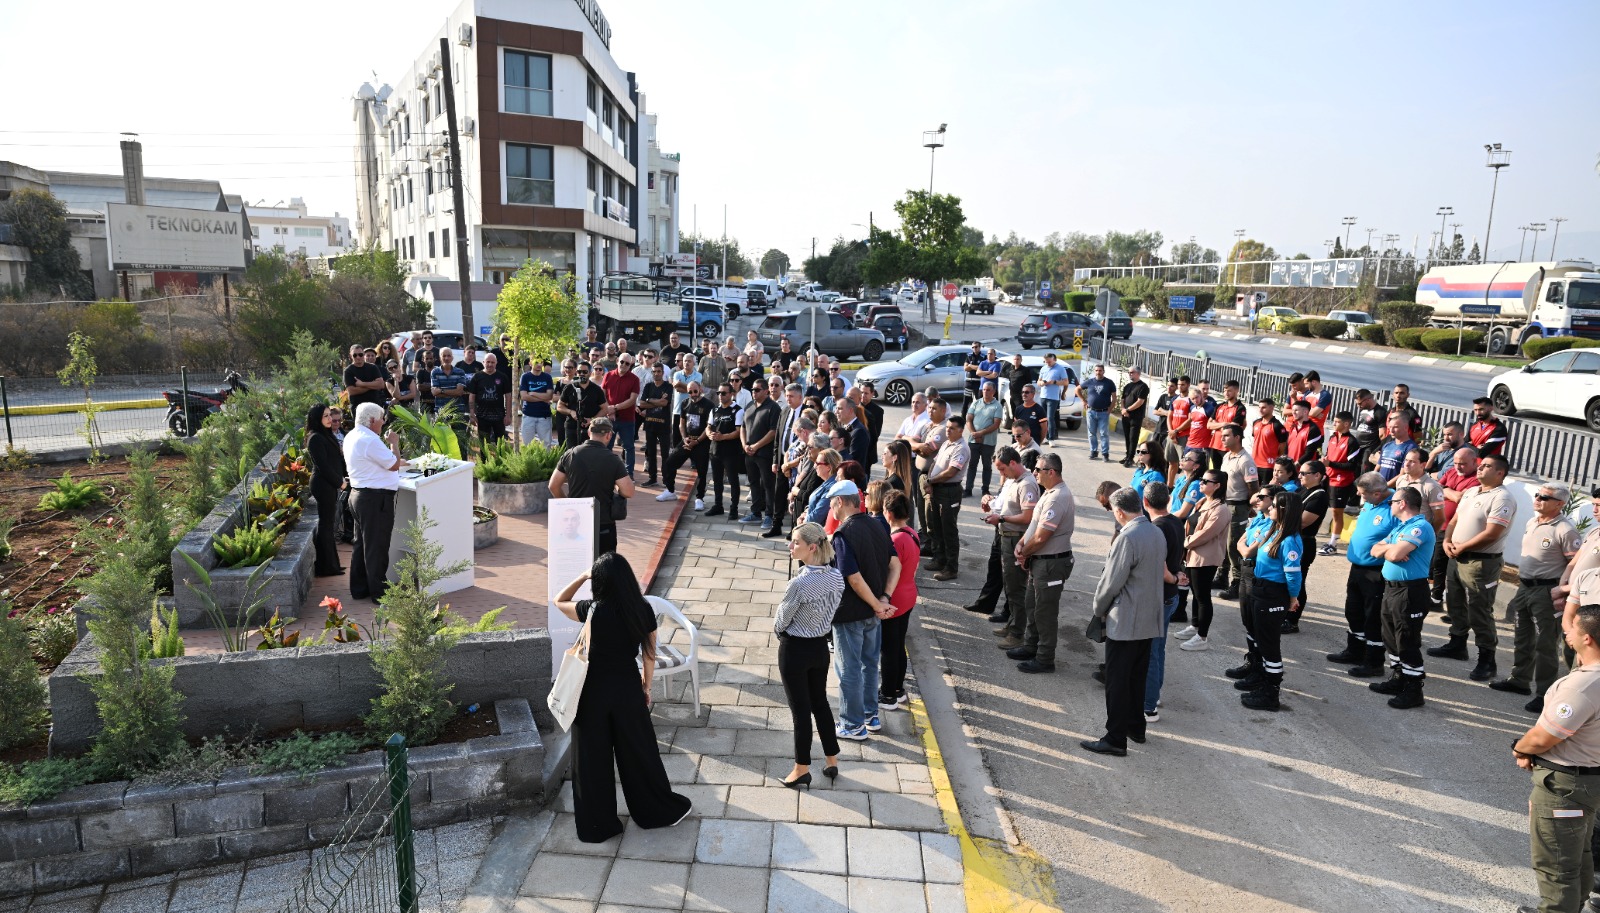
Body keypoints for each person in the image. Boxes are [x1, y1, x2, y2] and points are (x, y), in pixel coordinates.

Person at [552, 555, 692, 841]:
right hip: (627, 687)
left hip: (591, 692)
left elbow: (558, 601)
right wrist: (646, 687)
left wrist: (581, 577)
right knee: (639, 752)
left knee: (591, 758)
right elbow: (649, 654)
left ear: (599, 581)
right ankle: (655, 810)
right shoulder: (641, 608)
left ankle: (597, 825)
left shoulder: (591, 610)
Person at [1512, 603, 1600, 913]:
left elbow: (1544, 737)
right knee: (1579, 855)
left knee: (1556, 864)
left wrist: (1522, 748)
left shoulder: (1583, 685)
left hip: (1566, 786)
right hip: (1590, 781)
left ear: (1587, 638)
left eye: (1573, 627)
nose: (1568, 631)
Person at [1081, 487, 1166, 756]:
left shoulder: (1127, 537)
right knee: (1136, 677)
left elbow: (1111, 583)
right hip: (1149, 619)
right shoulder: (1156, 531)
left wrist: (1098, 609)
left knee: (1117, 681)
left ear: (1119, 512)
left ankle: (1115, 738)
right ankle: (1135, 727)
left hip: (1126, 619)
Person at [1429, 453, 1517, 682]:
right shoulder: (1471, 491)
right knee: (1455, 602)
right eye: (1480, 465)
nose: (1480, 469)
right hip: (1457, 556)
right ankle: (1457, 644)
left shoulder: (1502, 498)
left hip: (1481, 562)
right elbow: (1455, 520)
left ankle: (1487, 659)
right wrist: (1448, 541)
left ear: (1500, 473)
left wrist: (1463, 546)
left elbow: (1492, 533)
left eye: (1486, 466)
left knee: (1479, 610)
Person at [1490, 484, 1579, 704]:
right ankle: (1519, 680)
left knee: (1545, 643)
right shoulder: (1533, 521)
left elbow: (1575, 565)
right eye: (1537, 495)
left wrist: (1564, 594)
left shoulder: (1565, 530)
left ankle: (1545, 693)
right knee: (1522, 636)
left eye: (1545, 497)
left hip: (1546, 592)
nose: (1538, 498)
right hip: (1525, 587)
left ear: (1560, 503)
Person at [773, 522, 845, 789]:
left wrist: (781, 630)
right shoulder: (836, 577)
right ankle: (831, 760)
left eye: (795, 543)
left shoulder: (799, 583)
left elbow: (781, 620)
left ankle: (801, 768)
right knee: (820, 703)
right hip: (819, 648)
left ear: (812, 547)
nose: (791, 546)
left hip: (795, 649)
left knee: (800, 711)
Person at [829, 481, 897, 740]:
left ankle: (852, 724)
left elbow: (853, 578)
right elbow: (896, 565)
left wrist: (876, 602)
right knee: (870, 665)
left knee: (849, 670)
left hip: (851, 615)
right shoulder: (878, 525)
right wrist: (883, 598)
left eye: (832, 503)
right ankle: (871, 715)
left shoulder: (843, 534)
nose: (831, 508)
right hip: (873, 616)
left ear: (840, 502)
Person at [1004, 452, 1075, 673]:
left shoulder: (1057, 497)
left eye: (1038, 470)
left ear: (1051, 472)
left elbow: (1042, 536)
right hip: (1040, 561)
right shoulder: (1048, 493)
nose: (1034, 472)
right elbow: (1034, 526)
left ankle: (1045, 659)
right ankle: (1030, 646)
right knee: (1032, 606)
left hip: (1051, 564)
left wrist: (1023, 552)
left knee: (1045, 613)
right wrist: (1022, 544)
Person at [1366, 486, 1436, 710]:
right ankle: (1399, 679)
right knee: (1390, 637)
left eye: (1393, 501)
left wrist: (1391, 550)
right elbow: (1374, 550)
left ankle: (1414, 689)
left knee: (1406, 639)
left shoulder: (1420, 527)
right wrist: (1391, 548)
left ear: (1403, 503)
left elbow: (1393, 554)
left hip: (1410, 591)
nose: (1390, 505)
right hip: (1392, 588)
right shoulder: (1401, 527)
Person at [1236, 489, 1304, 711]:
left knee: (1270, 645)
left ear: (1284, 510)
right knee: (1261, 640)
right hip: (1260, 589)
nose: (1270, 508)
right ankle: (1263, 682)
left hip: (1274, 593)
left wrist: (1293, 598)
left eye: (1274, 505)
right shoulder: (1275, 531)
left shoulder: (1291, 540)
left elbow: (1293, 574)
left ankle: (1271, 694)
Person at [1328, 473, 1398, 677]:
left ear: (1377, 493)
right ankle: (1355, 651)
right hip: (1358, 567)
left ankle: (1374, 661)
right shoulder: (1371, 502)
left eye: (1364, 495)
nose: (1362, 499)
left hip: (1376, 571)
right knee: (1354, 611)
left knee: (1372, 618)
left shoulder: (1394, 507)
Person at [342, 402, 407, 601]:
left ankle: (360, 588)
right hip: (374, 499)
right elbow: (394, 464)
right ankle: (380, 593)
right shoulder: (370, 439)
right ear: (371, 420)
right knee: (377, 546)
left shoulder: (353, 435)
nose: (384, 422)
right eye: (382, 419)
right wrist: (394, 443)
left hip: (359, 495)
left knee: (362, 545)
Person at [966, 446, 1038, 624]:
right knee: (1002, 575)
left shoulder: (1027, 483)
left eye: (1002, 469)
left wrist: (1001, 518)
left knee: (1015, 585)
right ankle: (1007, 619)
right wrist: (990, 503)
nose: (1000, 473)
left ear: (1013, 463)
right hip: (1004, 532)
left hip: (1015, 537)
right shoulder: (1012, 479)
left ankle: (1015, 626)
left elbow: (1028, 516)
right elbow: (1005, 503)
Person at [549, 417, 633, 556]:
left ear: (589, 433)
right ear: (609, 435)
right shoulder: (613, 459)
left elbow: (553, 486)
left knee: (577, 566)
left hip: (578, 524)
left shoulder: (570, 454)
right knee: (605, 568)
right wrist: (616, 486)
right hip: (603, 523)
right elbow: (629, 492)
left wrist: (568, 505)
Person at [1143, 481, 1185, 724]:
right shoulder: (1175, 522)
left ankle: (1149, 706)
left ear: (1145, 502)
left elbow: (1160, 568)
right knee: (1157, 648)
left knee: (1151, 652)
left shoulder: (1156, 527)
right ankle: (1153, 696)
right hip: (1169, 597)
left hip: (1160, 595)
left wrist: (1172, 577)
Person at [1175, 470, 1230, 651]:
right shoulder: (1202, 502)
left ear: (1217, 486)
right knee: (1195, 593)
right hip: (1192, 554)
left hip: (1205, 557)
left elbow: (1206, 533)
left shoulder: (1221, 509)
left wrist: (1184, 543)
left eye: (1206, 481)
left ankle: (1202, 637)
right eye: (1201, 479)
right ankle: (1195, 625)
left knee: (1203, 596)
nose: (1201, 483)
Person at [878, 491, 921, 712]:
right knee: (898, 646)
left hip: (894, 599)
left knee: (889, 649)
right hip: (908, 595)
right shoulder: (911, 533)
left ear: (888, 513)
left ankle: (887, 695)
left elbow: (887, 571)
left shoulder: (895, 540)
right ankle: (897, 689)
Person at [923, 413, 970, 582]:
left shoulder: (961, 448)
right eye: (947, 427)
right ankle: (939, 559)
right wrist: (930, 481)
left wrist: (931, 480)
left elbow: (951, 472)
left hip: (950, 492)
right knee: (936, 527)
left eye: (952, 428)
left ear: (961, 430)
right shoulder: (947, 444)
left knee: (948, 530)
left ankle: (951, 568)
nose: (948, 431)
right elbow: (935, 464)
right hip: (937, 489)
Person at [1217, 425, 1259, 600]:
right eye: (1222, 435)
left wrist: (1248, 508)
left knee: (1234, 546)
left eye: (1226, 435)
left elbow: (1253, 488)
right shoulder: (1227, 456)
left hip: (1238, 506)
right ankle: (1222, 576)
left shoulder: (1245, 461)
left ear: (1237, 437)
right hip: (1226, 504)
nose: (1222, 438)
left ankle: (1237, 583)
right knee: (1223, 543)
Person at [304, 404, 346, 579]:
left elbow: (335, 461)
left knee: (328, 525)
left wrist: (344, 477)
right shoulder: (315, 438)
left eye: (330, 415)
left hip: (329, 483)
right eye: (325, 416)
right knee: (326, 525)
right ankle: (326, 566)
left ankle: (332, 565)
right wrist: (340, 483)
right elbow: (323, 466)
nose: (330, 419)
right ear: (317, 419)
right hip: (323, 485)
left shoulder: (325, 435)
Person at [658, 382, 714, 510]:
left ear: (700, 389)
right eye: (690, 392)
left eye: (695, 391)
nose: (693, 394)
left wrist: (698, 441)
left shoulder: (709, 405)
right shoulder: (685, 403)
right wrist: (684, 438)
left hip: (701, 442)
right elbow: (681, 424)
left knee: (702, 471)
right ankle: (670, 490)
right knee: (669, 463)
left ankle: (699, 498)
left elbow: (708, 427)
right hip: (687, 440)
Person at [739, 379, 780, 529]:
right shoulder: (749, 405)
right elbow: (743, 427)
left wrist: (756, 446)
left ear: (765, 391)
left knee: (768, 485)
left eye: (757, 390)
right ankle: (755, 513)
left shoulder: (773, 408)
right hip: (749, 453)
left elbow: (773, 431)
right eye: (752, 390)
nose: (753, 392)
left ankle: (769, 515)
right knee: (753, 483)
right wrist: (744, 445)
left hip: (764, 454)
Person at [1321, 411, 1362, 556]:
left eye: (1337, 422)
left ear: (1346, 424)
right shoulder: (1333, 437)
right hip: (1328, 478)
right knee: (1327, 509)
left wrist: (1330, 463)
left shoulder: (1352, 442)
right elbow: (1328, 457)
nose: (1334, 424)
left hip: (1341, 482)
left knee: (1337, 512)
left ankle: (1333, 544)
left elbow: (1352, 466)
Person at [704, 384, 745, 520]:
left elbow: (739, 432)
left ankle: (734, 508)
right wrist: (710, 434)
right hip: (715, 450)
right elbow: (708, 427)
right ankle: (718, 505)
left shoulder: (738, 411)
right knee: (716, 480)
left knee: (733, 480)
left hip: (731, 451)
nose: (720, 396)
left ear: (731, 394)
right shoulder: (715, 409)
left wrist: (723, 437)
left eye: (724, 393)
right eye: (719, 393)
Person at [602, 354, 640, 479]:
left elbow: (632, 400)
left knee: (629, 447)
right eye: (622, 362)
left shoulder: (634, 379)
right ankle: (607, 471)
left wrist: (615, 408)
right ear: (617, 361)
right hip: (609, 419)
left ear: (630, 365)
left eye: (627, 364)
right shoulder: (608, 375)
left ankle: (629, 474)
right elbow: (603, 395)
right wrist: (609, 410)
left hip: (627, 419)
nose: (623, 365)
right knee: (607, 446)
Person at [466, 351, 513, 451]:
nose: (490, 364)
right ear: (483, 362)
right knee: (483, 445)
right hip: (482, 416)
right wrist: (472, 414)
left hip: (499, 416)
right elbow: (472, 396)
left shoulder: (502, 377)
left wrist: (508, 415)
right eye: (488, 362)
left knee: (500, 444)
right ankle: (484, 465)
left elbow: (508, 396)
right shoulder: (477, 377)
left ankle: (500, 463)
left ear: (496, 363)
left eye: (492, 362)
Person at [966, 382, 1004, 497]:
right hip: (973, 441)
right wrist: (974, 434)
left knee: (987, 466)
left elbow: (996, 424)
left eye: (988, 390)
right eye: (984, 390)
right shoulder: (976, 403)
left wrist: (980, 433)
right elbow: (969, 419)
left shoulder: (997, 406)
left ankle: (985, 489)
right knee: (972, 465)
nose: (985, 392)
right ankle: (968, 489)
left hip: (988, 442)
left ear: (994, 391)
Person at [637, 363, 673, 486]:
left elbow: (665, 403)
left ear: (663, 372)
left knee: (665, 454)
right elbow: (641, 404)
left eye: (659, 371)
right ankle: (652, 478)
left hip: (664, 425)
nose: (656, 373)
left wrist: (649, 400)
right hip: (650, 425)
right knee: (651, 453)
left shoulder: (668, 386)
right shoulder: (648, 386)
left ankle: (666, 479)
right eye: (654, 371)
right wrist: (656, 401)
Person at [558, 362, 607, 450]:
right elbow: (560, 406)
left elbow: (604, 408)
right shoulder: (570, 387)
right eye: (579, 371)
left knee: (589, 455)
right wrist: (571, 412)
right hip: (572, 427)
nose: (581, 374)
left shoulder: (596, 389)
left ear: (590, 372)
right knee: (572, 454)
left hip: (591, 429)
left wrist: (592, 420)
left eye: (584, 372)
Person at [1078, 363, 1117, 460]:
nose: (1098, 372)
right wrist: (1083, 400)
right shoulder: (1090, 382)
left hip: (1104, 412)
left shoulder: (1109, 383)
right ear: (1094, 371)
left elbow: (1114, 397)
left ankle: (1105, 453)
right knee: (1091, 433)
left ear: (1103, 371)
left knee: (1104, 433)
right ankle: (1093, 451)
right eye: (1096, 370)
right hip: (1091, 411)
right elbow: (1077, 389)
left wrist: (1110, 409)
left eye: (1100, 370)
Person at [1207, 379, 1247, 471]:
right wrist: (1224, 424)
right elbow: (1208, 425)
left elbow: (1233, 428)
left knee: (1227, 472)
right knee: (1215, 471)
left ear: (1236, 391)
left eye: (1229, 391)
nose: (1226, 393)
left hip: (1228, 447)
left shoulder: (1240, 408)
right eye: (1225, 390)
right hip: (1215, 444)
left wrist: (1217, 425)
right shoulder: (1219, 406)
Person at [518, 356, 555, 447]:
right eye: (536, 362)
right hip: (528, 415)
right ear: (530, 363)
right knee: (527, 445)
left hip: (544, 416)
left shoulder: (547, 377)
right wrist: (543, 398)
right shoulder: (525, 377)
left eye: (540, 362)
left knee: (546, 445)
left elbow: (549, 396)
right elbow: (524, 396)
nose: (538, 364)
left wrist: (533, 393)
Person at [1037, 352, 1073, 443]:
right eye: (1046, 362)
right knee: (1044, 418)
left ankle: (1051, 438)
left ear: (1054, 360)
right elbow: (1039, 381)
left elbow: (1066, 382)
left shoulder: (1060, 369)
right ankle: (1045, 436)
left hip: (1053, 397)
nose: (1047, 364)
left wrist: (1054, 382)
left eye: (1049, 362)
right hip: (1043, 396)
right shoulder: (1043, 368)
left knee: (1050, 417)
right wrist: (1041, 383)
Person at [1118, 367, 1150, 467]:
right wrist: (1123, 409)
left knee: (1133, 437)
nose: (1130, 374)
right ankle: (1127, 455)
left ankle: (1130, 458)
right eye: (1129, 372)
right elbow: (1123, 399)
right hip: (1125, 416)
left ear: (1138, 373)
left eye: (1132, 372)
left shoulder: (1143, 387)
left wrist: (1128, 410)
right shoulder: (1127, 386)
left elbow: (1140, 402)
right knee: (1127, 437)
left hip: (1136, 417)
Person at [343, 345, 388, 412]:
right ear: (350, 356)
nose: (358, 357)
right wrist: (372, 386)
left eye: (360, 355)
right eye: (355, 355)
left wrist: (362, 384)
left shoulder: (373, 367)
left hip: (375, 405)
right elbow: (352, 391)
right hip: (358, 408)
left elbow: (381, 385)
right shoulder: (348, 371)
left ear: (363, 354)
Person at [1375, 414, 1417, 483]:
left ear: (1406, 427)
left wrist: (1385, 487)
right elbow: (1377, 468)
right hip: (1379, 488)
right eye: (1390, 427)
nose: (1391, 430)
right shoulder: (1387, 445)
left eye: (1395, 427)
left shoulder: (1411, 447)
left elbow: (1402, 474)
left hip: (1393, 489)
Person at [1251, 398, 1288, 475]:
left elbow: (1283, 445)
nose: (1260, 410)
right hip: (1253, 463)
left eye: (1263, 408)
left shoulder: (1277, 426)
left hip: (1268, 466)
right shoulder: (1256, 423)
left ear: (1271, 408)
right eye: (1259, 407)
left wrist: (1277, 460)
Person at [962, 341, 985, 414]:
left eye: (976, 347)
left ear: (980, 347)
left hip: (978, 382)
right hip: (968, 382)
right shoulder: (969, 356)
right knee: (965, 402)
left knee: (979, 402)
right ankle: (962, 420)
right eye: (973, 347)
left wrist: (971, 366)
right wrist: (974, 367)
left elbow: (982, 368)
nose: (974, 348)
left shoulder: (983, 357)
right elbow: (965, 368)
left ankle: (980, 418)